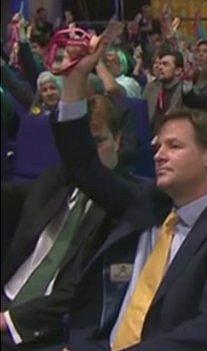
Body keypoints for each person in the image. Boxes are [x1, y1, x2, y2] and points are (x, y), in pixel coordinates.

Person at [48, 21, 207, 350]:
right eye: (158, 147)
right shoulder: (148, 203)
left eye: (174, 147)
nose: (159, 155)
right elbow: (82, 165)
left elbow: (205, 327)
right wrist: (75, 79)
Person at [0, 95, 134, 350]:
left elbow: (83, 290)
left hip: (48, 326)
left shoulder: (127, 205)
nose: (88, 155)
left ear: (117, 141)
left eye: (97, 142)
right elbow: (14, 194)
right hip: (7, 295)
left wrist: (9, 320)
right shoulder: (58, 178)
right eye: (80, 145)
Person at [143, 50, 184, 132]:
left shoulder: (185, 92)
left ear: (178, 70)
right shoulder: (151, 87)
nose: (160, 67)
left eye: (165, 64)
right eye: (160, 64)